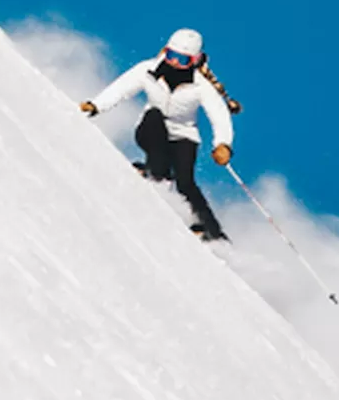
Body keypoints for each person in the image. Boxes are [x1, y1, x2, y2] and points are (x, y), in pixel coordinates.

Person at [80, 29, 234, 241]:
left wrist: (223, 144)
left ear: (195, 60)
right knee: (154, 119)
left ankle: (212, 231)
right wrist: (96, 106)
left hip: (184, 135)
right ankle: (155, 171)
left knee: (185, 182)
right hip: (152, 128)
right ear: (165, 51)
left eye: (182, 60)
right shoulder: (148, 70)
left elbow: (219, 114)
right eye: (171, 56)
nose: (174, 63)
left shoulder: (200, 86)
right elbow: (122, 88)